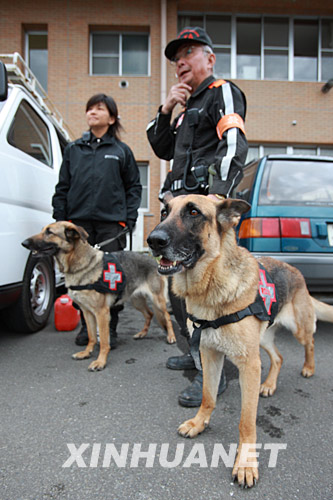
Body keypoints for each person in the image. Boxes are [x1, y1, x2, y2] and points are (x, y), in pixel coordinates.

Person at [147, 27, 248, 407]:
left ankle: (214, 374)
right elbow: (160, 148)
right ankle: (196, 353)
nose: (181, 63)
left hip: (202, 215)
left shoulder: (221, 91)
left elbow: (235, 142)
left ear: (210, 58)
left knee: (212, 290)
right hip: (178, 211)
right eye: (176, 59)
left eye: (188, 53)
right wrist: (166, 108)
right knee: (177, 284)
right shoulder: (185, 109)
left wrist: (216, 200)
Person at [52, 93, 142, 349]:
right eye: (89, 108)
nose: (92, 113)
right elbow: (63, 187)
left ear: (111, 118)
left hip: (111, 225)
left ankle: (110, 329)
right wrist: (61, 219)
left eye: (99, 109)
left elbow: (133, 187)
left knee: (109, 278)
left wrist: (128, 219)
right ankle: (87, 327)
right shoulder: (74, 149)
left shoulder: (121, 151)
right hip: (77, 225)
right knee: (80, 276)